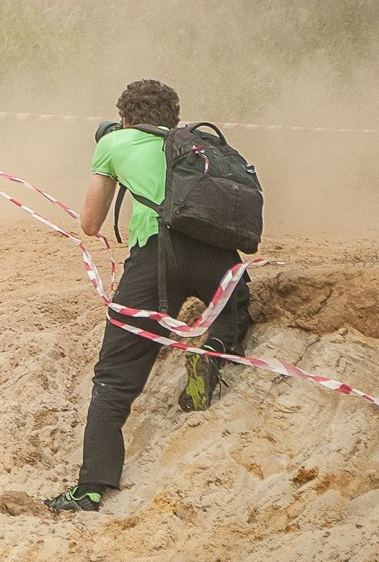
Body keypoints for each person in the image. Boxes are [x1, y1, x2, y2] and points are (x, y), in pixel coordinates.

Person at [44, 78, 254, 513]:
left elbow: (89, 223)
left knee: (116, 375)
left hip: (155, 256)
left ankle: (91, 487)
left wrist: (112, 154)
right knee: (233, 310)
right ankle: (211, 351)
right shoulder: (193, 145)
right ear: (173, 119)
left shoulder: (114, 144)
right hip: (216, 251)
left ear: (124, 118)